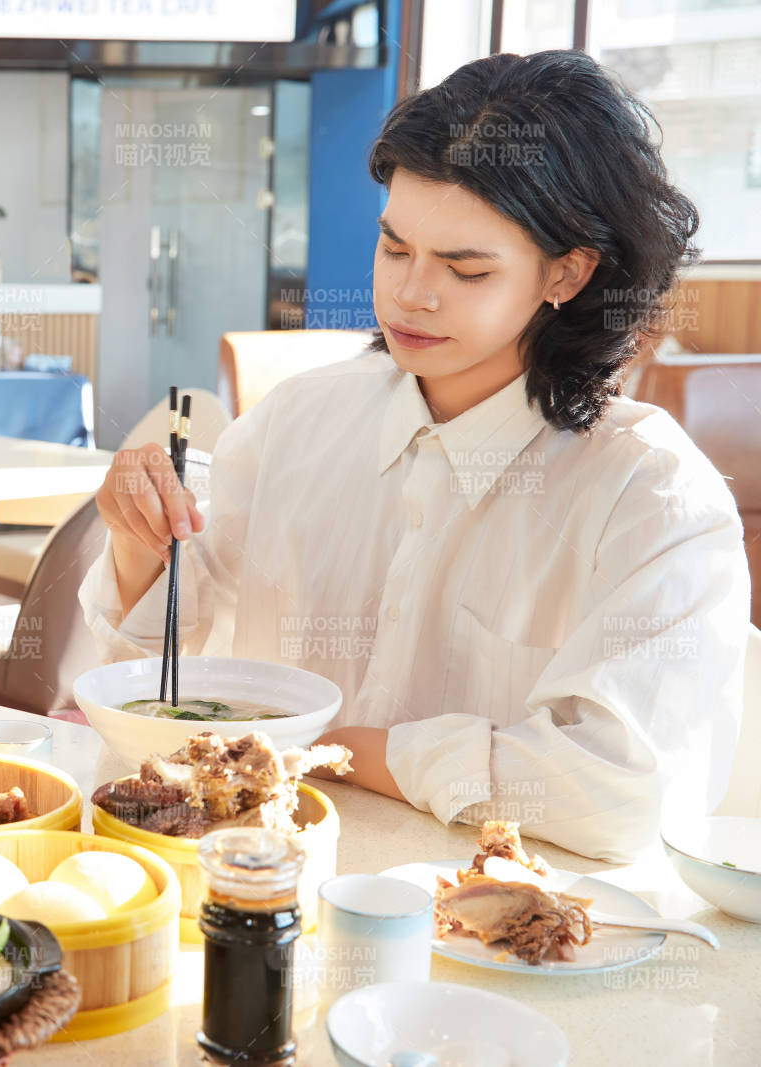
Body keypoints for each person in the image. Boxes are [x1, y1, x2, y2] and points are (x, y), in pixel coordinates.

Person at [82, 51, 750, 862]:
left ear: (568, 273)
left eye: (464, 269)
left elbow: (626, 791)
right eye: (395, 250)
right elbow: (151, 680)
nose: (410, 294)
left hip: (497, 937)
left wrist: (358, 750)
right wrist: (136, 540)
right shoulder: (298, 420)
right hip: (264, 890)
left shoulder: (650, 494)